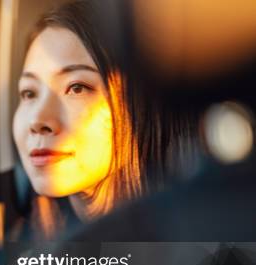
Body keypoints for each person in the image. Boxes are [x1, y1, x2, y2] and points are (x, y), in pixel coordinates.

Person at [11, 1, 203, 239]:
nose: (37, 120)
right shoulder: (24, 242)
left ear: (141, 104)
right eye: (29, 93)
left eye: (77, 87)